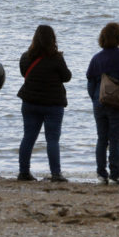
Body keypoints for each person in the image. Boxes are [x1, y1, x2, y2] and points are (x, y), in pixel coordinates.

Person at [17, 24, 72, 182]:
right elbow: (67, 77)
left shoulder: (26, 57)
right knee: (52, 139)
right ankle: (56, 173)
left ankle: (23, 172)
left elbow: (23, 73)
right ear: (52, 39)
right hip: (53, 104)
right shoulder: (57, 58)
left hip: (30, 102)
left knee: (28, 137)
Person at [86, 22, 119, 185]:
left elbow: (90, 82)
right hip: (117, 103)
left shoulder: (96, 58)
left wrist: (94, 99)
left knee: (101, 139)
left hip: (99, 102)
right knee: (115, 140)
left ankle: (101, 174)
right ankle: (115, 173)